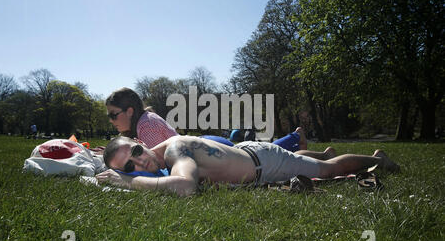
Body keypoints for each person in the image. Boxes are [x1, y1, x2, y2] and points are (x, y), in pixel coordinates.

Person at [96, 135, 400, 197]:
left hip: (264, 163)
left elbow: (186, 187)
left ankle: (378, 159)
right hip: (247, 154)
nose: (141, 161)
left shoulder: (174, 150)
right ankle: (318, 153)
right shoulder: (160, 161)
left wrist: (128, 182)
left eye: (136, 150)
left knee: (329, 170)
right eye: (131, 167)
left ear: (140, 141)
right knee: (308, 161)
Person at [105, 87, 328, 157]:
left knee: (253, 155)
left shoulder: (146, 124)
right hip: (201, 145)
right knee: (251, 152)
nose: (111, 120)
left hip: (202, 146)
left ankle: (295, 138)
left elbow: (154, 158)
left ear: (130, 111)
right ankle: (294, 140)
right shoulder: (144, 121)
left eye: (113, 114)